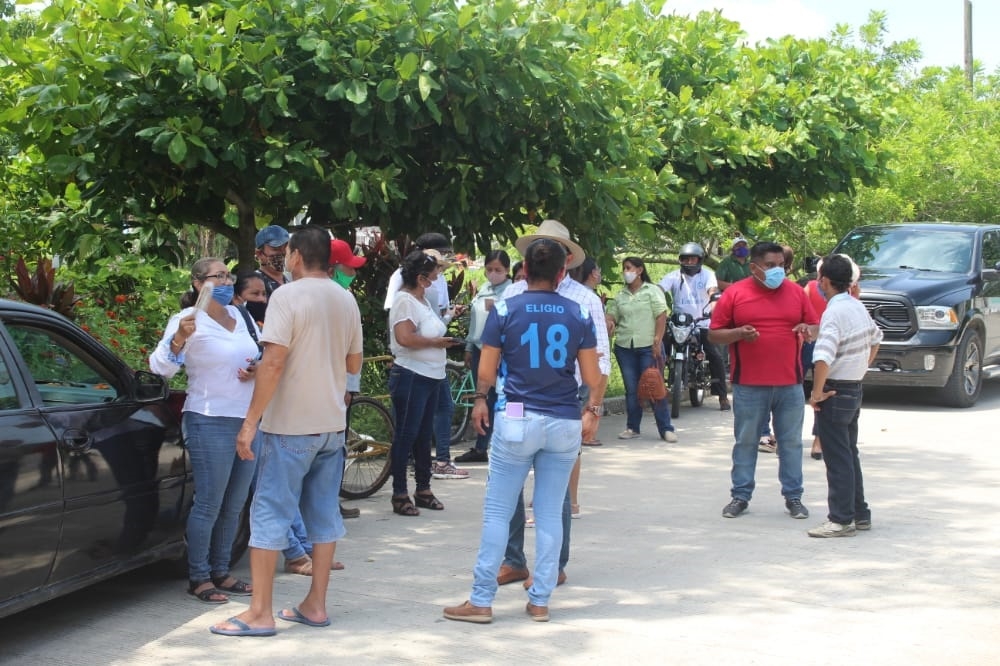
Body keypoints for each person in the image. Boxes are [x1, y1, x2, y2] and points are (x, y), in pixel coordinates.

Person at [210, 225, 363, 637]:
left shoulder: (287, 296)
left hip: (291, 427)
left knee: (269, 512)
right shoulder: (346, 299)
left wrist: (249, 423)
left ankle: (260, 612)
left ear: (295, 255)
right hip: (331, 425)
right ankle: (315, 604)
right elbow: (352, 364)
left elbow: (275, 362)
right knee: (324, 514)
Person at [443, 237, 601, 624]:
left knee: (498, 511)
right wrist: (592, 411)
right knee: (548, 513)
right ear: (563, 272)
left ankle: (481, 600)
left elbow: (487, 369)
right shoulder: (578, 312)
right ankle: (541, 599)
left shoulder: (506, 309)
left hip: (517, 415)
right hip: (564, 418)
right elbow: (593, 376)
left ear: (524, 271)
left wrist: (480, 400)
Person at [494, 219, 610, 590]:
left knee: (554, 488)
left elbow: (601, 362)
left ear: (566, 260)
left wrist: (592, 408)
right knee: (508, 484)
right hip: (515, 399)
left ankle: (555, 565)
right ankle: (514, 561)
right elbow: (495, 351)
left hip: (565, 399)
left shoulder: (585, 300)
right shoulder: (511, 294)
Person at [150, 259, 260, 605]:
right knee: (210, 502)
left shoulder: (240, 317)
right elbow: (160, 368)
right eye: (218, 276)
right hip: (209, 418)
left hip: (247, 420)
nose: (227, 282)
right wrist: (181, 339)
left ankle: (221, 569)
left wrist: (256, 368)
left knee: (235, 503)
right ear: (199, 284)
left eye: (229, 276)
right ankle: (198, 576)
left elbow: (259, 354)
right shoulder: (187, 321)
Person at [708, 241, 818, 521]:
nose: (777, 271)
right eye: (770, 266)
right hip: (749, 384)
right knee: (745, 441)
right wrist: (739, 334)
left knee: (791, 442)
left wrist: (808, 329)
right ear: (754, 267)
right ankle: (740, 496)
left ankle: (794, 497)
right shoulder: (735, 294)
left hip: (790, 384)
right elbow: (714, 334)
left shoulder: (796, 292)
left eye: (781, 265)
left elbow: (815, 327)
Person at [807, 254, 882, 537]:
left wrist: (816, 393)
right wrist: (861, 366)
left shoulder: (833, 312)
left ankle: (840, 519)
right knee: (849, 454)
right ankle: (859, 513)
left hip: (835, 389)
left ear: (823, 280)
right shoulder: (856, 306)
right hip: (853, 386)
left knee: (837, 457)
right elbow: (877, 338)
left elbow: (823, 357)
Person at [387, 250, 466, 517]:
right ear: (420, 279)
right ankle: (399, 493)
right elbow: (404, 338)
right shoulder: (405, 301)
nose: (435, 282)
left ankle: (423, 488)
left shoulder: (423, 302)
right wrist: (436, 343)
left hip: (432, 375)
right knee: (406, 436)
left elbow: (430, 329)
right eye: (432, 277)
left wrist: (447, 322)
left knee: (423, 437)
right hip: (411, 374)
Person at [606, 256, 677, 441]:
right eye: (624, 268)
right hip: (624, 347)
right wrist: (609, 321)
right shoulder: (621, 295)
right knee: (632, 389)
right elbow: (612, 314)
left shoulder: (652, 291)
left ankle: (666, 428)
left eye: (628, 268)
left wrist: (657, 340)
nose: (625, 272)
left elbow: (661, 316)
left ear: (639, 270)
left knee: (653, 386)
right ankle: (632, 427)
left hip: (648, 346)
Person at [455, 250, 513, 464]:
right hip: (480, 346)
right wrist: (469, 346)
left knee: (497, 397)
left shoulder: (512, 291)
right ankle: (481, 446)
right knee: (482, 396)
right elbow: (475, 319)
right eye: (489, 269)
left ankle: (496, 444)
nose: (493, 273)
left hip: (500, 350)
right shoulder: (484, 289)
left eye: (498, 270)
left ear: (507, 270)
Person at [658, 242, 730, 411]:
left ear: (700, 260)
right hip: (677, 323)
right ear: (680, 260)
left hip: (701, 322)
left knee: (715, 355)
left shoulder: (707, 275)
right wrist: (653, 295)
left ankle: (722, 396)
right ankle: (656, 390)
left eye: (693, 259)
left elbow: (713, 291)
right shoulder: (674, 276)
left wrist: (714, 307)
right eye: (686, 259)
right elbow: (659, 289)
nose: (689, 262)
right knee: (659, 350)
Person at [254, 225, 290, 297]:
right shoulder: (254, 282)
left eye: (286, 247)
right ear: (259, 254)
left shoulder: (290, 280)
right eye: (276, 249)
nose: (283, 253)